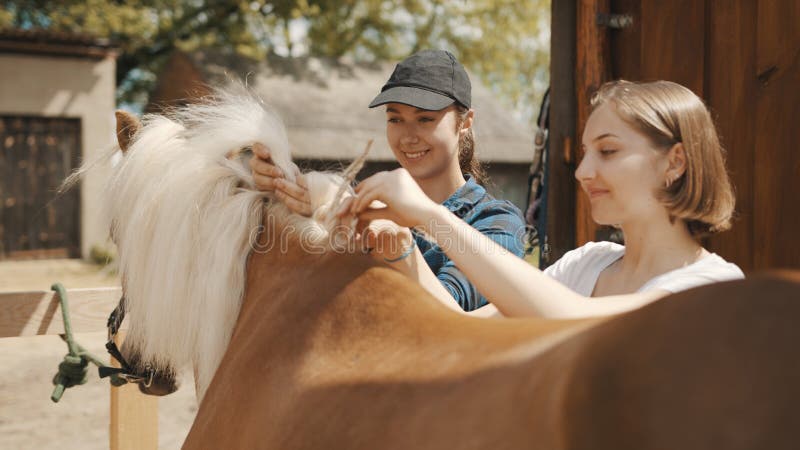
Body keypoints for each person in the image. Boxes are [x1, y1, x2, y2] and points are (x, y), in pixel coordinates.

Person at [344, 80, 745, 319]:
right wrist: (400, 243)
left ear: (675, 162)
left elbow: (574, 319)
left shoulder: (714, 289)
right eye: (585, 153)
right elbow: (464, 327)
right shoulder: (585, 263)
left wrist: (428, 216)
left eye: (607, 152)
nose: (583, 171)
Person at [249, 49, 526, 312]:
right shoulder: (364, 205)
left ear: (465, 122)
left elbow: (447, 313)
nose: (408, 137)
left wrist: (392, 235)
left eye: (425, 119)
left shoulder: (497, 223)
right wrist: (276, 194)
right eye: (395, 120)